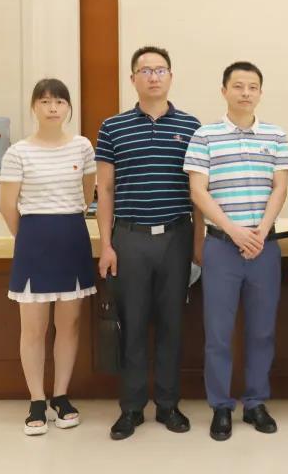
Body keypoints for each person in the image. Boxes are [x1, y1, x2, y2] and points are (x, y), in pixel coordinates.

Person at [95, 46, 202, 440]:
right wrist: (107, 245)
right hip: (129, 239)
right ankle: (131, 408)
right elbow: (105, 190)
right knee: (133, 325)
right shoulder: (113, 127)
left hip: (176, 237)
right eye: (145, 70)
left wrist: (198, 243)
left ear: (170, 76)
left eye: (160, 70)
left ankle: (169, 405)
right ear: (133, 79)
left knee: (172, 325)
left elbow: (198, 194)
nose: (153, 76)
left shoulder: (192, 127)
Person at [184, 61, 288, 441]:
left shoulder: (276, 135)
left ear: (260, 92)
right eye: (238, 86)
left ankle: (256, 402)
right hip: (221, 246)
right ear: (224, 91)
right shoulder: (205, 136)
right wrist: (233, 230)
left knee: (262, 330)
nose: (246, 93)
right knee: (218, 332)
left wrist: (260, 231)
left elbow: (280, 187)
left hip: (264, 246)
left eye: (253, 87)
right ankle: (220, 405)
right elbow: (198, 191)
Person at [0, 79, 96, 435]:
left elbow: (87, 195)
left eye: (59, 101)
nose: (53, 108)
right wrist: (29, 238)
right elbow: (7, 206)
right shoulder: (18, 152)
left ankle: (61, 396)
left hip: (72, 237)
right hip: (33, 241)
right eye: (45, 101)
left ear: (68, 107)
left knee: (70, 324)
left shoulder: (83, 147)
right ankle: (37, 400)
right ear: (34, 107)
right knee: (33, 328)